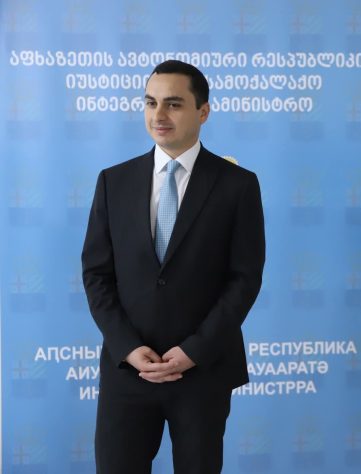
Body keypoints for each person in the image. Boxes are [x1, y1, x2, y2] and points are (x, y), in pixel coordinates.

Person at [82, 60, 265, 473]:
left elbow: (244, 279)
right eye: (151, 102)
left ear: (203, 111)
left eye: (174, 104)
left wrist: (193, 351)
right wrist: (128, 348)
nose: (159, 115)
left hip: (203, 371)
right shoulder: (113, 181)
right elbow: (96, 275)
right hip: (128, 371)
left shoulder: (238, 185)